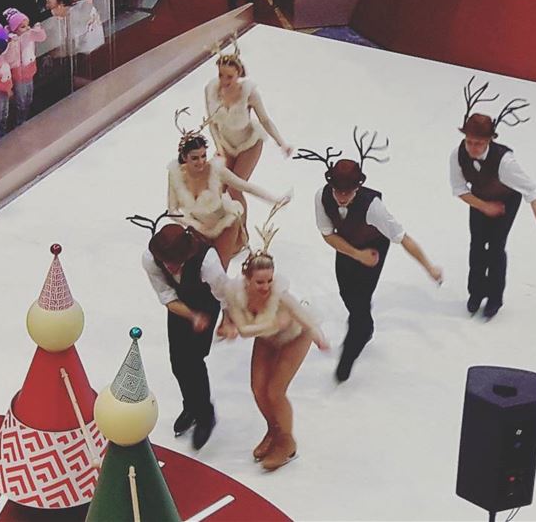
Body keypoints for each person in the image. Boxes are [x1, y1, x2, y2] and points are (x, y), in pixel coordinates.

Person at [297, 130, 443, 383]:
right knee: (346, 293)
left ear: (357, 187)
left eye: (348, 191)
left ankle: (350, 354)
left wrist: (429, 267)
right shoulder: (322, 197)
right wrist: (355, 254)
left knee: (360, 302)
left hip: (373, 247)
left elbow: (403, 238)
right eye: (337, 190)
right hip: (347, 246)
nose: (342, 196)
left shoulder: (374, 208)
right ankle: (364, 327)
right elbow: (327, 234)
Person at [217, 204, 329, 471]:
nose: (266, 287)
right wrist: (240, 324)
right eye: (260, 282)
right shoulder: (235, 294)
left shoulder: (281, 293)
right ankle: (274, 431)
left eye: (269, 281)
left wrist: (318, 336)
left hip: (294, 337)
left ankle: (287, 444)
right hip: (267, 336)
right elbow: (242, 327)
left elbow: (304, 317)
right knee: (258, 389)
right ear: (246, 279)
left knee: (275, 391)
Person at [450, 83, 536, 319]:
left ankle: (494, 298)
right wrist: (483, 206)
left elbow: (531, 189)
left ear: (488, 141)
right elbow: (458, 189)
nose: (472, 147)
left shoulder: (505, 162)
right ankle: (476, 292)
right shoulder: (457, 154)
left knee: (495, 249)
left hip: (505, 203)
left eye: (478, 143)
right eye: (469, 141)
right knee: (476, 247)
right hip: (478, 201)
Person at [131, 214, 231, 450]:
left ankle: (206, 414)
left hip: (206, 303)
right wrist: (191, 316)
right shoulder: (150, 259)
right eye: (166, 261)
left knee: (195, 361)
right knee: (178, 362)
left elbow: (224, 294)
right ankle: (191, 406)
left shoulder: (208, 262)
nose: (170, 266)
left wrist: (226, 320)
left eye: (175, 261)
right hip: (180, 306)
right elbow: (167, 296)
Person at [169, 110, 290, 269]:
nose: (201, 162)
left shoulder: (216, 170)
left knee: (217, 274)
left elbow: (244, 186)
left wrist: (274, 199)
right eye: (195, 158)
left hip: (225, 225)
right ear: (185, 157)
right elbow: (172, 210)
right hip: (198, 231)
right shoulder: (175, 175)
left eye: (204, 156)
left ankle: (240, 241)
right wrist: (196, 226)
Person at [204, 48, 292, 230]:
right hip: (226, 145)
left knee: (236, 190)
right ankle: (222, 228)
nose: (224, 81)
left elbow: (265, 120)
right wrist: (219, 148)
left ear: (239, 74)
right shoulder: (211, 90)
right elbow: (211, 123)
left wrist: (281, 143)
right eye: (221, 75)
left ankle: (241, 235)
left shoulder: (249, 93)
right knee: (215, 186)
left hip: (249, 145)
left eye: (229, 76)